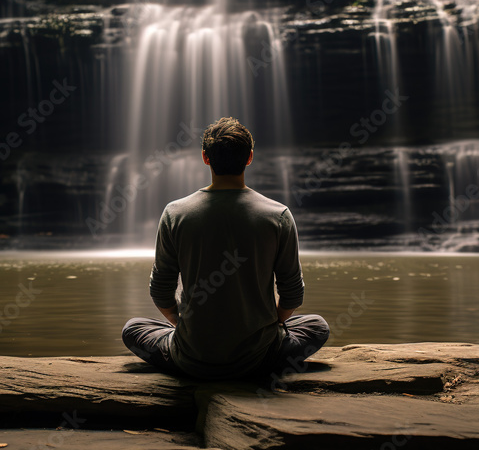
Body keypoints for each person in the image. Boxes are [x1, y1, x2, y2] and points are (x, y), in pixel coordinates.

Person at [121, 117, 330, 380]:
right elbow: (293, 294)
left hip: (192, 357)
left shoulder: (175, 213)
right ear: (250, 157)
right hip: (258, 358)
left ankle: (190, 351)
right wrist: (272, 323)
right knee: (317, 326)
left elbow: (160, 289)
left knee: (133, 328)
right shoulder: (278, 215)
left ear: (205, 158)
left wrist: (181, 323)